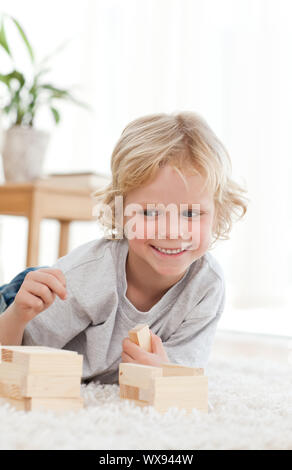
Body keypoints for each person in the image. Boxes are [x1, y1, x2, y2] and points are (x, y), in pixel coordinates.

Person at [0, 111, 248, 384]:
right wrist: (16, 315)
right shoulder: (86, 279)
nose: (172, 231)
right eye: (150, 212)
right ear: (120, 213)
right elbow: (13, 356)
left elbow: (184, 376)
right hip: (21, 303)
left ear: (218, 213)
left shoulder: (206, 285)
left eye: (190, 213)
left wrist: (162, 371)